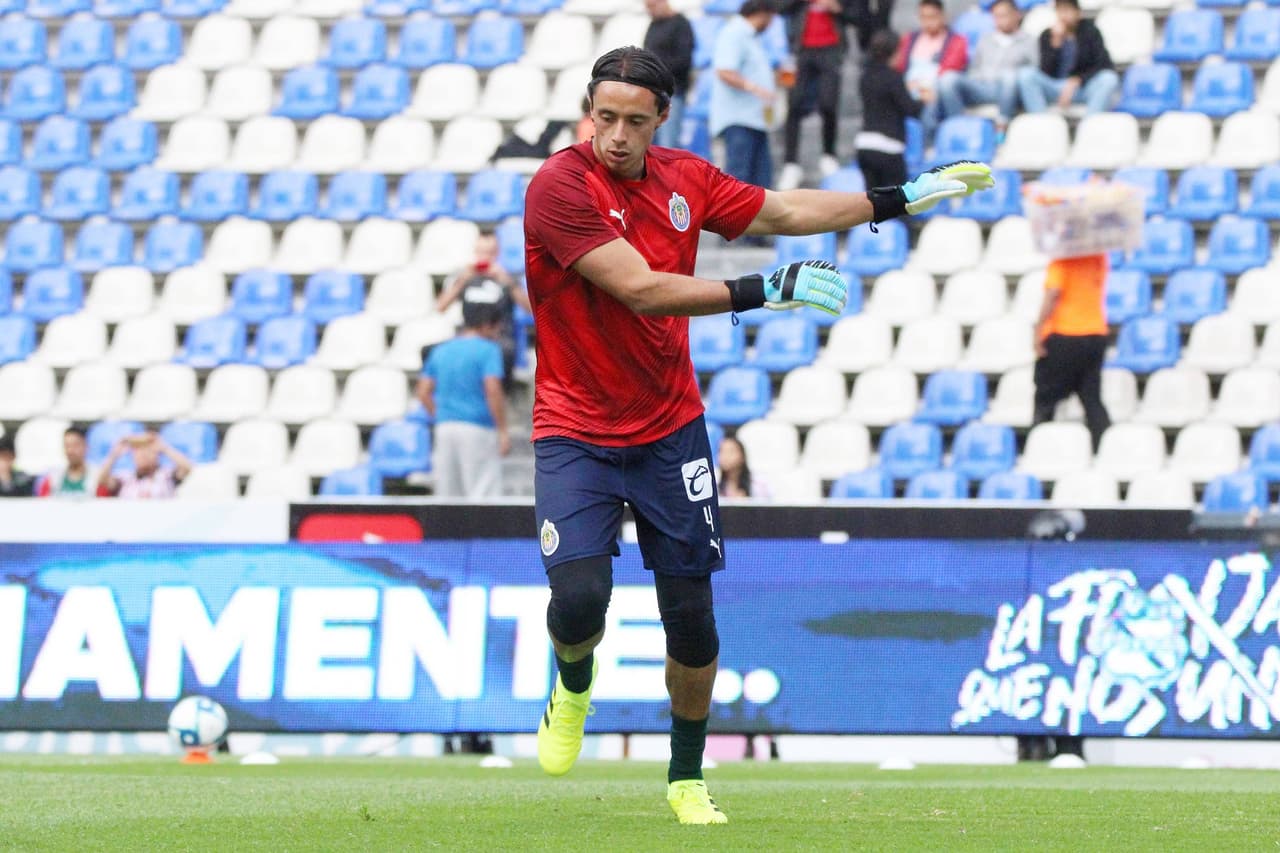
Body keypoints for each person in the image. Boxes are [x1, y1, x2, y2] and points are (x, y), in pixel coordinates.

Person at [522, 44, 992, 825]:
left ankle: (684, 775)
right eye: (604, 117)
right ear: (588, 112)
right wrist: (763, 287)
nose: (616, 135)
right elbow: (640, 289)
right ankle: (572, 685)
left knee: (693, 618)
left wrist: (896, 198)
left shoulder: (685, 178)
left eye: (635, 121)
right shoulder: (559, 186)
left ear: (660, 120)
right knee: (579, 601)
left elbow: (782, 211)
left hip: (670, 428)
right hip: (574, 428)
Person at [415, 299, 510, 499]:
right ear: (486, 325)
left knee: (448, 496)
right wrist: (502, 430)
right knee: (483, 494)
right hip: (478, 428)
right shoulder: (488, 350)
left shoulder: (441, 350)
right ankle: (483, 532)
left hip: (445, 428)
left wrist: (441, 414)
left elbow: (423, 392)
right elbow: (492, 389)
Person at [1033, 253, 1111, 450]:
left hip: (1065, 334)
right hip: (1095, 333)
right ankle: (1103, 447)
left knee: (1046, 397)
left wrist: (1039, 329)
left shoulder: (1061, 261)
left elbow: (1053, 293)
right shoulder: (1099, 259)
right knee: (1091, 397)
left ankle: (1039, 446)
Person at [776, 0, 857, 190]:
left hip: (831, 49)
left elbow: (858, 15)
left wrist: (837, 8)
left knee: (828, 104)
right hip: (800, 50)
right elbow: (778, 7)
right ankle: (791, 162)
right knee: (794, 105)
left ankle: (828, 154)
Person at [437, 231, 532, 391]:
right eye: (481, 252)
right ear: (475, 252)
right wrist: (462, 281)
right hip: (468, 337)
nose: (485, 257)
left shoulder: (508, 277)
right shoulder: (464, 276)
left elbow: (529, 310)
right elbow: (441, 307)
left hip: (499, 340)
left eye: (490, 253)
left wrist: (508, 283)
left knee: (501, 353)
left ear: (497, 253)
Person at [937, 0, 1037, 136]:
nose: (1000, 20)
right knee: (947, 79)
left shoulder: (1028, 40)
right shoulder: (985, 39)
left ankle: (1001, 128)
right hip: (981, 87)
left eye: (1004, 15)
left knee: (1009, 76)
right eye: (996, 16)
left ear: (1016, 15)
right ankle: (958, 128)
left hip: (1008, 90)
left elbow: (1032, 72)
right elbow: (974, 69)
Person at [711, 0, 778, 189]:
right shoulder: (734, 33)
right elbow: (724, 71)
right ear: (763, 13)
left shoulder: (751, 38)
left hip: (755, 119)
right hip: (739, 120)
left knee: (762, 185)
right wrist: (755, 88)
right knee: (740, 182)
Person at [1017, 0, 1118, 115]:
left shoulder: (1091, 31)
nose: (1064, 15)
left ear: (1077, 12)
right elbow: (1044, 70)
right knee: (1026, 75)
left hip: (1082, 87)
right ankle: (1042, 122)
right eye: (1060, 10)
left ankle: (1090, 125)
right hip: (1054, 87)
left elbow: (1103, 64)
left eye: (1068, 10)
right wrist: (1055, 44)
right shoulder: (1047, 35)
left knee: (1109, 79)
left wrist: (1077, 80)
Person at [893, 0, 968, 145]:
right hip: (909, 89)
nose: (928, 22)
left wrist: (927, 88)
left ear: (942, 16)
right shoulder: (909, 40)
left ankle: (928, 146)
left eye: (932, 17)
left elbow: (951, 67)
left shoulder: (956, 41)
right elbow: (898, 67)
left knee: (930, 105)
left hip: (934, 91)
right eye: (923, 17)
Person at [857, 29, 921, 189]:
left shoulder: (865, 76)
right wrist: (923, 99)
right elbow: (911, 109)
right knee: (902, 203)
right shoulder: (893, 77)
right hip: (888, 147)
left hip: (864, 145)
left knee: (873, 207)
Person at [644, 0, 695, 150]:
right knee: (649, 145)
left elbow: (684, 60)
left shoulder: (681, 24)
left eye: (652, 6)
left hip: (672, 93)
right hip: (651, 93)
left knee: (668, 146)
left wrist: (655, 68)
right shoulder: (653, 25)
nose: (649, 10)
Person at [97, 431, 193, 499]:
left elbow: (186, 467)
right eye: (138, 451)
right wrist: (114, 455)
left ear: (157, 454)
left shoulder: (167, 475)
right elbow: (102, 480)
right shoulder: (124, 479)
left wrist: (165, 448)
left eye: (147, 450)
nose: (143, 455)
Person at [35, 426, 96, 499]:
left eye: (75, 445)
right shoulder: (52, 478)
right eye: (67, 446)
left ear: (86, 446)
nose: (70, 451)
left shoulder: (97, 477)